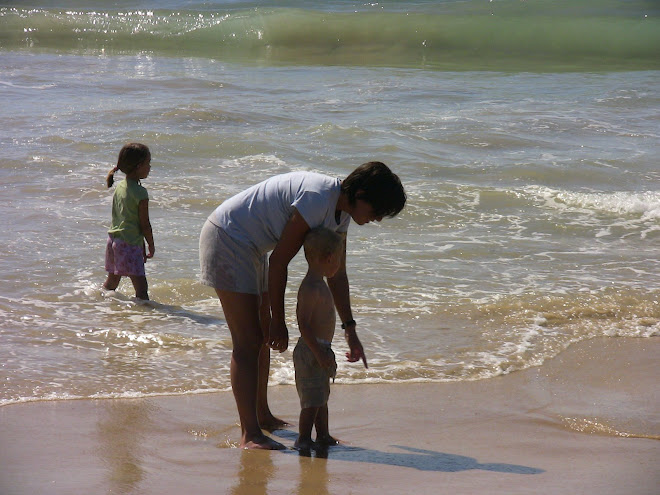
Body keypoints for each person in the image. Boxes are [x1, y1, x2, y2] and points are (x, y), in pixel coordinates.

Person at [199, 161, 406, 449]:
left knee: (258, 339)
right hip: (228, 237)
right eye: (378, 211)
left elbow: (337, 274)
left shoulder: (341, 216)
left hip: (253, 246)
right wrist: (278, 320)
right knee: (249, 341)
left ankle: (262, 416)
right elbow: (280, 261)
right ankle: (250, 433)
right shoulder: (317, 198)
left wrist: (350, 330)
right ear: (359, 194)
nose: (378, 219)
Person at [293, 227, 344, 451]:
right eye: (339, 259)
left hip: (321, 349)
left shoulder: (320, 284)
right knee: (312, 399)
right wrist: (318, 352)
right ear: (328, 258)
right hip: (310, 350)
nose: (340, 265)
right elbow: (303, 324)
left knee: (321, 397)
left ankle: (323, 434)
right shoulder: (311, 288)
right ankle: (303, 437)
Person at [103, 143, 155, 301]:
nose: (150, 167)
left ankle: (99, 305)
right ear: (139, 166)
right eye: (148, 163)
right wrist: (150, 244)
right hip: (130, 244)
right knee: (141, 289)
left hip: (114, 241)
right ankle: (144, 319)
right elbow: (144, 224)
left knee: (111, 282)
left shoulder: (119, 187)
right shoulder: (140, 193)